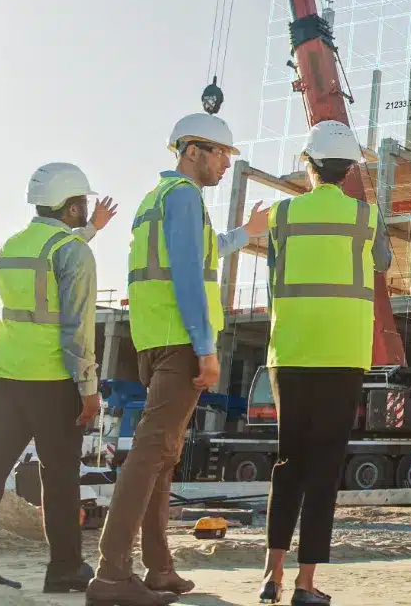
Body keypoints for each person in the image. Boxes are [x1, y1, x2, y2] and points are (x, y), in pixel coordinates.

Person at [87, 113, 270, 606]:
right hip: (182, 342)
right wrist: (206, 349)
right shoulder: (186, 198)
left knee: (162, 458)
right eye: (221, 154)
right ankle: (111, 577)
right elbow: (190, 276)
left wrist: (245, 232)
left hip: (155, 340)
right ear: (193, 152)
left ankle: (159, 568)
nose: (227, 164)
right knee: (150, 456)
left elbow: (201, 254)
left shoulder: (158, 199)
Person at [259, 120, 392, 606]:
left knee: (287, 462)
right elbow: (384, 263)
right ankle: (304, 584)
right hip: (342, 354)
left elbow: (276, 267)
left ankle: (270, 575)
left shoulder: (282, 215)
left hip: (290, 352)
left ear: (308, 165)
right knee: (323, 469)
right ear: (350, 169)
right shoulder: (366, 217)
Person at [0, 163, 117, 592]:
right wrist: (89, 388)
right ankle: (64, 570)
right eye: (85, 204)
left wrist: (89, 229)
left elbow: (47, 269)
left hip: (4, 374)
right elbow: (77, 329)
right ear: (73, 205)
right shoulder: (74, 252)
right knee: (59, 477)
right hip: (52, 380)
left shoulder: (8, 247)